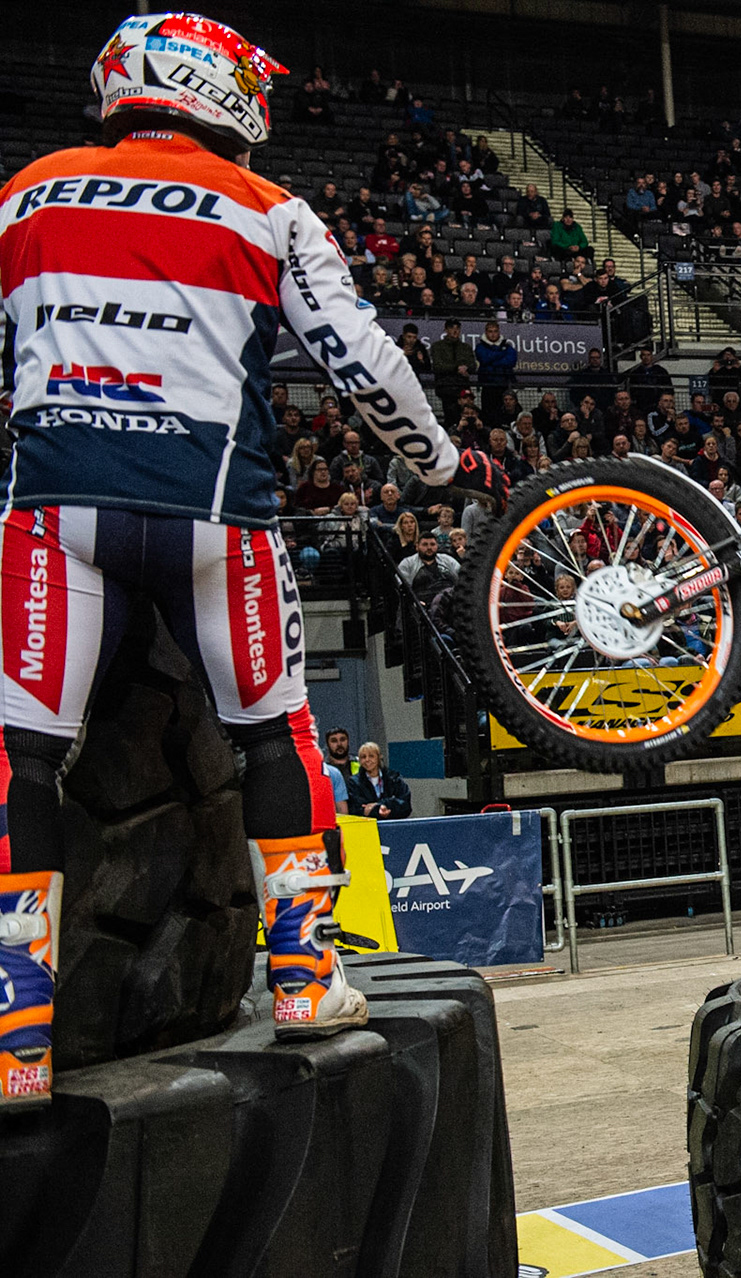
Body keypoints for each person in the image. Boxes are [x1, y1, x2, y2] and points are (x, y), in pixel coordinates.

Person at [0, 13, 503, 1102]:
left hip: (52, 510)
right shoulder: (271, 208)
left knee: (24, 760)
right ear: (209, 87)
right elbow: (359, 360)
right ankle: (304, 982)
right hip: (214, 511)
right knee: (277, 734)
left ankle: (16, 1039)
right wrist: (437, 463)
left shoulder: (26, 188)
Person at [345, 742, 414, 819]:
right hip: (368, 827)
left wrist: (382, 805)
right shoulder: (353, 783)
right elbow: (355, 809)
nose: (367, 760)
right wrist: (377, 810)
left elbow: (405, 806)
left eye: (371, 756)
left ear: (379, 757)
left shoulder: (394, 778)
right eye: (363, 757)